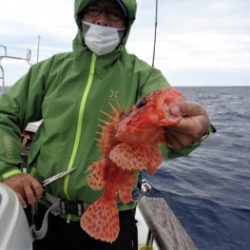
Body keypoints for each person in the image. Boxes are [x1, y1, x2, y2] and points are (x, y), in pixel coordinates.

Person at [0, 0, 215, 249]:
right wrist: (8, 171)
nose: (102, 21)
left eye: (113, 14)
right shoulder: (50, 70)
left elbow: (165, 127)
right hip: (43, 213)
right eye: (93, 10)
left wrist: (194, 131)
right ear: (79, 17)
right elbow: (5, 114)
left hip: (115, 215)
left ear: (127, 25)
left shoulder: (143, 76)